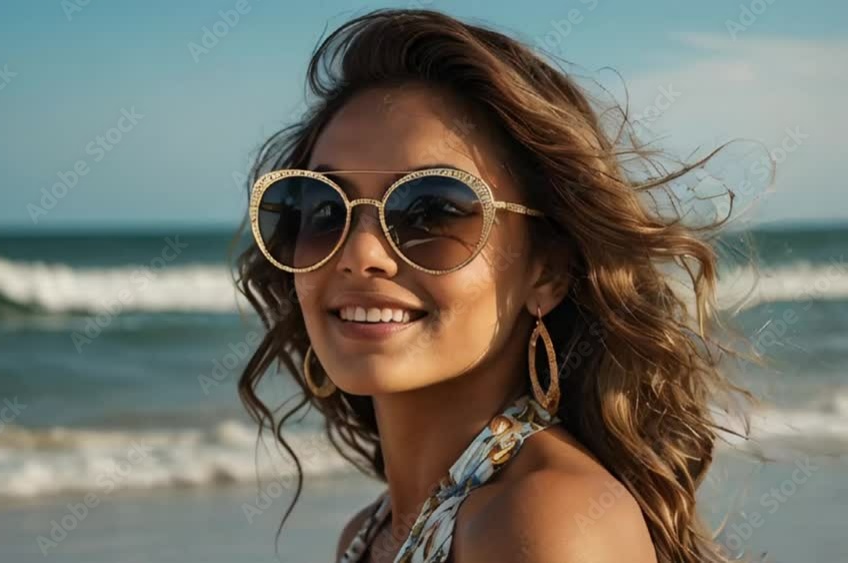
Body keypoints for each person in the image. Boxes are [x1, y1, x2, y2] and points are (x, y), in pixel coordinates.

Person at [234, 8, 747, 563]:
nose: (359, 254)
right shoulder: (373, 531)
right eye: (323, 209)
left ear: (547, 271)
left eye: (430, 209)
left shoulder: (547, 520)